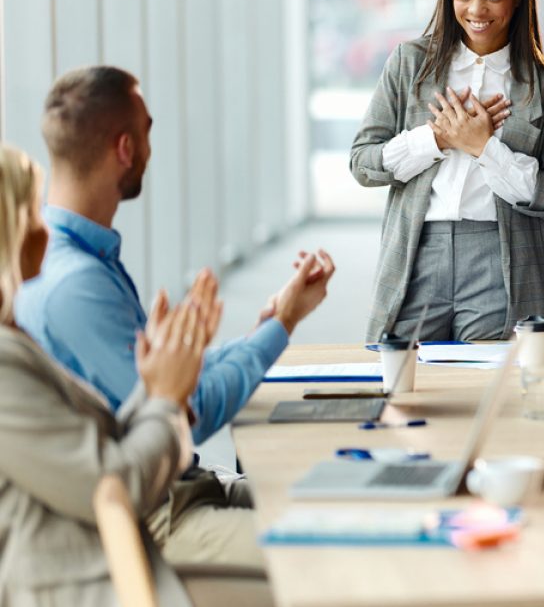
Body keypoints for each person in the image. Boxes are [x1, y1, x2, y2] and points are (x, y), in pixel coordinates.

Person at [16, 65, 335, 569]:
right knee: (337, 547)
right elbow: (188, 412)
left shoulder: (83, 260)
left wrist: (267, 324)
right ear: (124, 148)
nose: (149, 147)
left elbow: (168, 386)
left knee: (347, 505)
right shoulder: (74, 285)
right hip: (160, 519)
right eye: (147, 131)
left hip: (183, 489)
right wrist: (279, 330)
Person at [0, 145, 232, 606]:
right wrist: (165, 399)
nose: (46, 228)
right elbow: (116, 486)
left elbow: (99, 452)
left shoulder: (14, 340)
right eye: (34, 211)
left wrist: (156, 384)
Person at [351, 0, 544, 342]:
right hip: (418, 253)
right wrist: (436, 138)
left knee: (491, 393)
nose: (476, 9)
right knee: (402, 385)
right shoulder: (410, 63)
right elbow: (363, 164)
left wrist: (484, 148)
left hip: (501, 261)